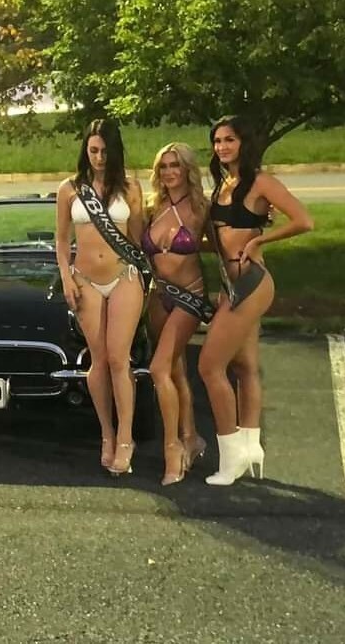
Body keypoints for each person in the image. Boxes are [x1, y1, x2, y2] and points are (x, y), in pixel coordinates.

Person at [198, 116, 313, 486]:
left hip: (252, 282)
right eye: (217, 141)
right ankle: (250, 446)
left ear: (243, 143)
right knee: (245, 366)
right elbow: (220, 236)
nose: (222, 147)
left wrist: (260, 239)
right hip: (229, 284)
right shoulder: (223, 184)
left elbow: (304, 221)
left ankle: (230, 458)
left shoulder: (261, 181)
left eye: (229, 140)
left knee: (209, 366)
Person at [55, 118, 147, 477]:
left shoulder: (130, 187)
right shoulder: (69, 189)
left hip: (124, 277)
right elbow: (62, 240)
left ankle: (126, 437)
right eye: (93, 150)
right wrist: (66, 278)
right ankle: (106, 434)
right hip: (85, 281)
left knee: (119, 358)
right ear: (85, 150)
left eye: (105, 151)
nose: (98, 157)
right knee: (99, 360)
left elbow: (138, 239)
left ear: (115, 151)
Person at [141, 143, 213, 485]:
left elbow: (227, 240)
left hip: (189, 297)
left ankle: (172, 450)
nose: (169, 172)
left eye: (175, 165)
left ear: (187, 169)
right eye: (164, 166)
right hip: (159, 297)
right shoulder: (152, 207)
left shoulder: (202, 207)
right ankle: (191, 438)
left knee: (158, 368)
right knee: (175, 370)